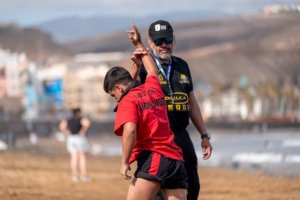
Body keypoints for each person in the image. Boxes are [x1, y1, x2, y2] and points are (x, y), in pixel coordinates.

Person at [103, 24, 188, 200]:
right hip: (175, 159)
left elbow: (130, 130)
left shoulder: (128, 100)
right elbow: (152, 70)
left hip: (154, 157)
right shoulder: (152, 87)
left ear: (118, 88)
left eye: (114, 95)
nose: (116, 100)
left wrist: (125, 162)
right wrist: (139, 44)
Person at [131, 20, 213, 200]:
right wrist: (136, 66)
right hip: (156, 139)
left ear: (174, 40)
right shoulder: (145, 66)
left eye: (167, 39)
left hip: (181, 135)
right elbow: (127, 91)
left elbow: (192, 103)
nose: (164, 45)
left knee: (192, 185)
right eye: (159, 41)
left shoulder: (182, 65)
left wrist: (204, 136)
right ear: (150, 42)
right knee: (158, 189)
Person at [59, 108, 91, 182]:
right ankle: (84, 176)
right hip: (80, 138)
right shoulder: (81, 119)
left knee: (74, 157)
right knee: (82, 157)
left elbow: (61, 126)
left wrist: (67, 132)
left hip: (71, 138)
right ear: (78, 112)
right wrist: (83, 131)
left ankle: (74, 176)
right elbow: (87, 124)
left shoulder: (68, 120)